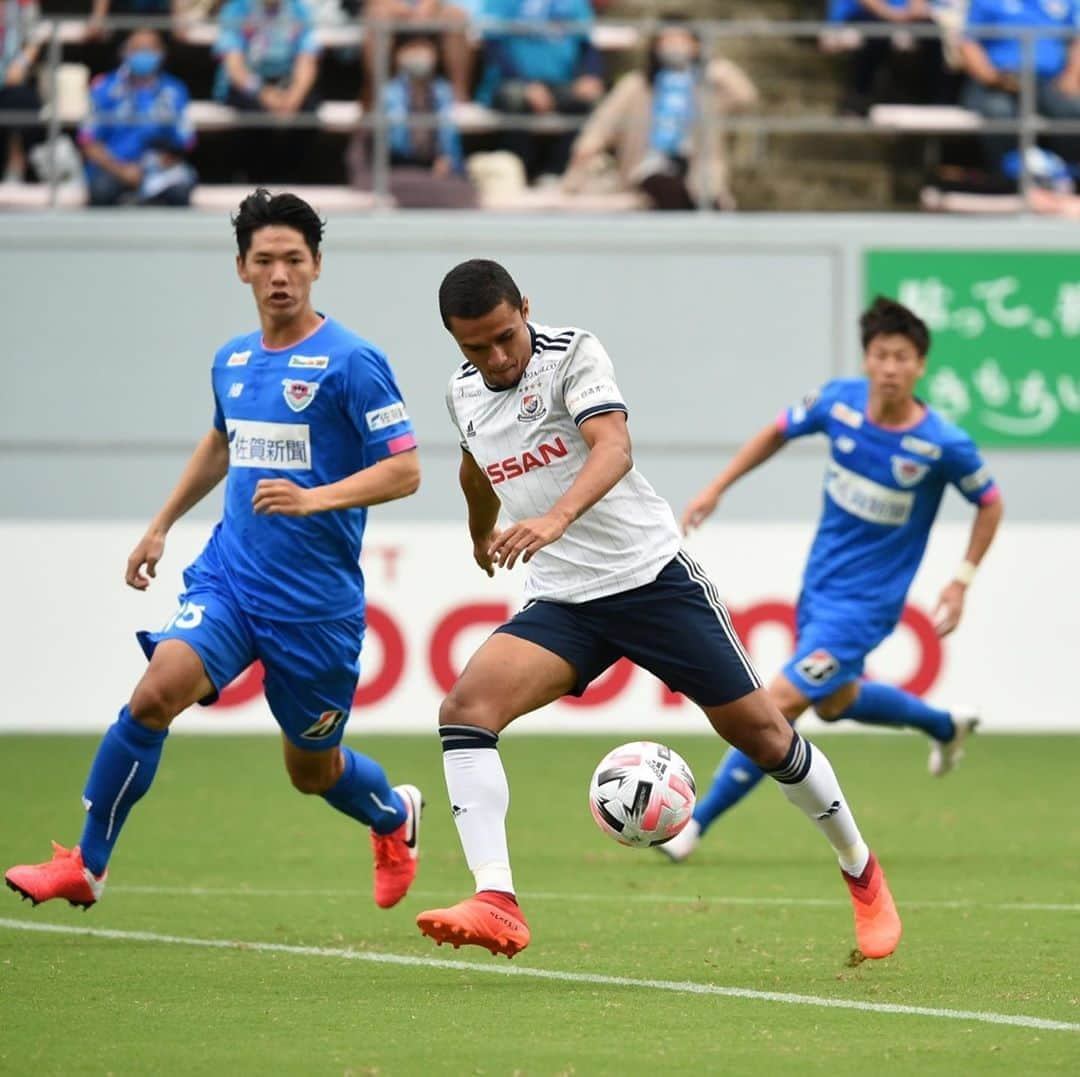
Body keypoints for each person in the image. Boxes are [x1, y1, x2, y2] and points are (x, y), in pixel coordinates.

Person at [414, 259, 902, 963]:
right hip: (565, 601)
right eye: (475, 347)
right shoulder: (463, 393)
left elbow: (613, 444)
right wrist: (477, 534)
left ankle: (860, 869)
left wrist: (556, 517)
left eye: (504, 336)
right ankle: (497, 899)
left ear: (525, 307)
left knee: (766, 737)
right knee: (464, 710)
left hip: (651, 581)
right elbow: (473, 467)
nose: (496, 357)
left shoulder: (572, 354)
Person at [5, 190, 424, 914]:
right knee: (153, 694)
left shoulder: (354, 361)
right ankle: (87, 863)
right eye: (265, 260)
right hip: (230, 580)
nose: (280, 274)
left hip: (314, 608)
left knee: (312, 771)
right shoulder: (231, 360)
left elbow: (407, 468)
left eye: (294, 259)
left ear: (318, 265)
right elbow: (223, 441)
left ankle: (392, 818)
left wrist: (312, 498)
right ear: (241, 269)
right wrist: (161, 522)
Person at [663, 296, 1003, 863]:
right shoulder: (839, 403)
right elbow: (777, 431)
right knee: (837, 702)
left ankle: (694, 826)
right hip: (818, 590)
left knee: (777, 703)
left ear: (921, 365)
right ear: (866, 359)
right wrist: (718, 486)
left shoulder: (943, 444)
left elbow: (990, 504)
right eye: (880, 354)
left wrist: (960, 580)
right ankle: (944, 726)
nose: (889, 366)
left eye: (902, 357)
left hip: (866, 608)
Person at [565, 20, 757, 211]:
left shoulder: (706, 87)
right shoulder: (637, 85)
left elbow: (745, 96)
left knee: (704, 196)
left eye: (681, 40)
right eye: (667, 41)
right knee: (663, 184)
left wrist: (708, 63)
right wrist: (583, 154)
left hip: (697, 170)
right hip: (649, 166)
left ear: (695, 45)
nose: (674, 47)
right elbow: (603, 124)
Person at [477, 0, 605, 182]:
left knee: (585, 100)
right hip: (511, 81)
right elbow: (493, 45)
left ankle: (558, 172)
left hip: (561, 82)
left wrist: (590, 75)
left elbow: (587, 45)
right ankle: (521, 173)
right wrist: (527, 84)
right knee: (515, 98)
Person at [347, 32, 477, 207]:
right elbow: (376, 144)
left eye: (424, 48)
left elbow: (449, 139)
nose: (418, 54)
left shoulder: (443, 91)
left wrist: (447, 158)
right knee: (403, 187)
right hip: (393, 167)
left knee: (464, 191)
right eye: (412, 48)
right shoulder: (385, 92)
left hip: (430, 171)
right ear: (398, 54)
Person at [77, 28, 198, 207]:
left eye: (149, 49)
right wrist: (123, 171)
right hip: (113, 168)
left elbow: (186, 141)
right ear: (124, 53)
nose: (144, 54)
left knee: (183, 186)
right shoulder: (104, 88)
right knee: (100, 189)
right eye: (137, 49)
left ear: (162, 53)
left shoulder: (174, 90)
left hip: (158, 171)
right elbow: (88, 141)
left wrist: (162, 161)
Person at [960, 0, 1080, 169]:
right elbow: (968, 43)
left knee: (1074, 111)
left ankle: (1068, 174)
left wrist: (1072, 77)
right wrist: (992, 77)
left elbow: (1077, 40)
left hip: (1049, 81)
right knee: (998, 111)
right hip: (997, 81)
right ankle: (1010, 176)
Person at [214, 0, 321, 180]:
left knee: (309, 106)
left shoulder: (300, 10)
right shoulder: (236, 10)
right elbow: (234, 66)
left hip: (286, 82)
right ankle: (251, 178)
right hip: (249, 82)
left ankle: (292, 177)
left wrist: (295, 95)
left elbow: (307, 59)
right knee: (252, 111)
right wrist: (262, 93)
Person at [0, 0, 42, 183]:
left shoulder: (24, 4)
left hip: (12, 79)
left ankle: (19, 163)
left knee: (23, 101)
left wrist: (20, 65)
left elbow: (34, 42)